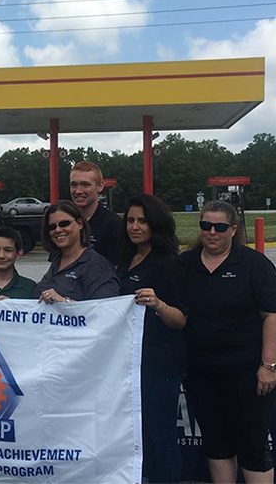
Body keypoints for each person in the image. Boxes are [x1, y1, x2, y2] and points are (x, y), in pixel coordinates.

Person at [179, 200, 276, 484]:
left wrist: (269, 366)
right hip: (201, 371)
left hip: (247, 372)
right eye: (205, 225)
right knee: (216, 442)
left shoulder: (254, 265)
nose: (211, 232)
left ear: (233, 229)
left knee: (252, 445)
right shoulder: (185, 264)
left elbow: (273, 316)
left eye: (219, 227)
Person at [116, 194, 187, 484]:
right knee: (139, 434)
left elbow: (181, 319)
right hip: (132, 361)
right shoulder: (125, 258)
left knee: (161, 436)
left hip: (161, 363)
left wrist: (158, 305)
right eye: (130, 220)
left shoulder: (168, 263)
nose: (135, 227)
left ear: (155, 224)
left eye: (142, 221)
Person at [33, 200, 119, 302]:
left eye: (64, 224)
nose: (58, 230)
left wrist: (64, 301)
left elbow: (106, 310)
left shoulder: (97, 266)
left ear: (80, 224)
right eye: (52, 227)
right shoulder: (56, 261)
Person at [69, 161, 124, 266]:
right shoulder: (64, 223)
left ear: (100, 186)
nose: (78, 191)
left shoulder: (114, 225)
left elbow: (115, 269)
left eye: (85, 185)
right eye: (74, 185)